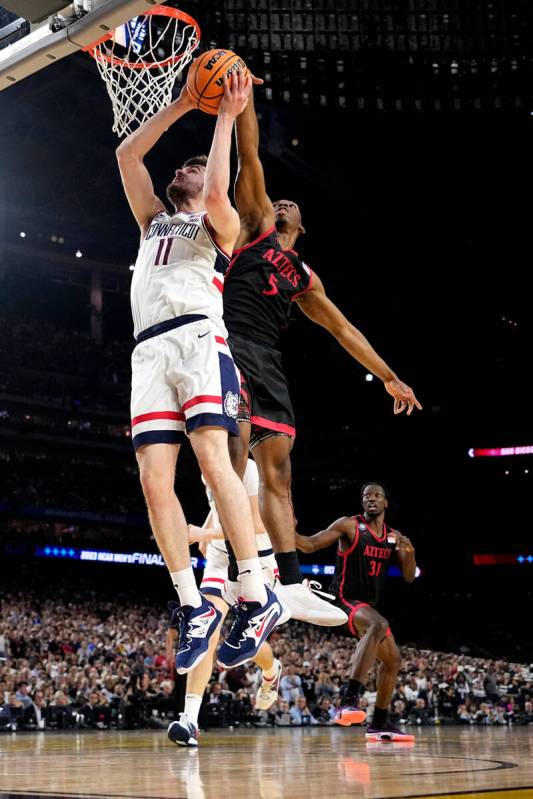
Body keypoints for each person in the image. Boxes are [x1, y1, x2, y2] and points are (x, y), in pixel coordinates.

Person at [223, 84, 422, 627]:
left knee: (279, 476)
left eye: (293, 204)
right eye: (279, 199)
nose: (283, 201)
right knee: (235, 454)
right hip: (228, 343)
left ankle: (286, 587)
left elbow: (345, 329)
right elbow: (250, 155)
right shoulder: (257, 225)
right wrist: (241, 105)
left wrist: (389, 378)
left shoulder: (305, 277)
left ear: (303, 227)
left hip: (268, 359)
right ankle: (238, 573)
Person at [116, 69, 283, 675]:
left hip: (197, 340)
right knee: (154, 483)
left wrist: (223, 117)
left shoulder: (221, 225)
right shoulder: (152, 221)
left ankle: (255, 593)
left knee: (215, 466)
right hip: (149, 352)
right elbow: (127, 152)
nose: (180, 171)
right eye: (184, 168)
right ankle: (193, 605)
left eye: (188, 167)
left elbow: (218, 192)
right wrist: (183, 101)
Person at [167, 458, 285, 746]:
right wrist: (207, 528)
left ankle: (271, 671)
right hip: (220, 559)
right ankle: (190, 720)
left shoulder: (250, 468)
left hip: (255, 556)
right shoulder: (208, 458)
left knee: (245, 642)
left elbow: (256, 524)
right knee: (206, 629)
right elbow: (217, 503)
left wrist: (205, 534)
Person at [295, 482, 416, 742]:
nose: (371, 499)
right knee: (378, 624)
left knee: (393, 661)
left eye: (377, 495)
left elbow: (408, 577)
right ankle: (347, 701)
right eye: (366, 496)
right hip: (342, 599)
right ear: (363, 502)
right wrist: (285, 528)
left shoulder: (393, 536)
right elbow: (308, 545)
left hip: (366, 607)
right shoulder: (349, 525)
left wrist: (409, 553)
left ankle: (380, 722)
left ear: (386, 503)